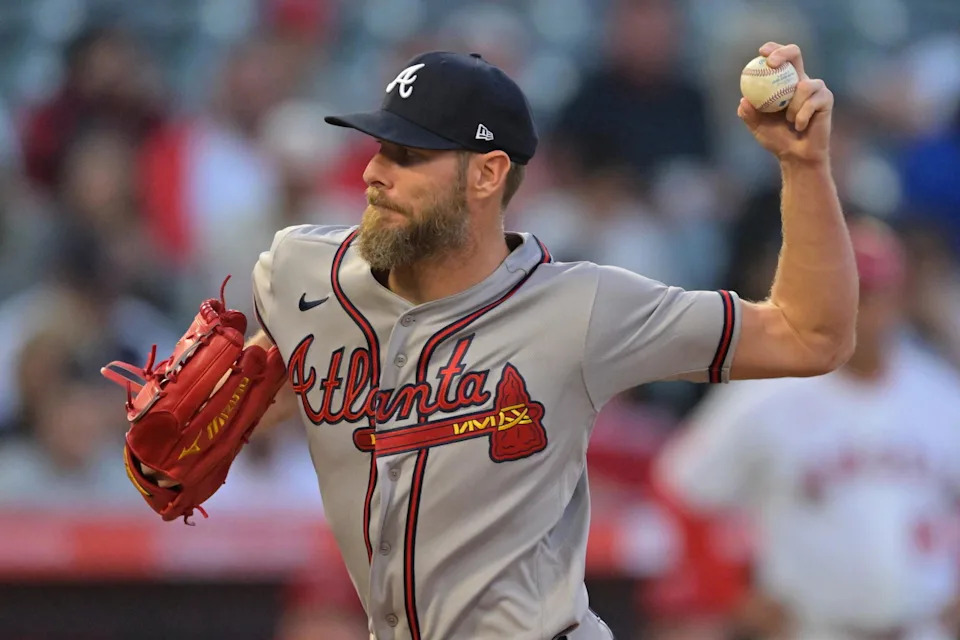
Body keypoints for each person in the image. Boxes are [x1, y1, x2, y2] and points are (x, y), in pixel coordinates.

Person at [145, 42, 855, 639]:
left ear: (486, 173)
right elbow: (218, 425)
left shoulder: (582, 307)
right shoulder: (301, 274)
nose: (372, 172)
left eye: (407, 154)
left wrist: (803, 167)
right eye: (376, 146)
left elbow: (806, 336)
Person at [656, 218, 960, 640]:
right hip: (814, 628)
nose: (858, 310)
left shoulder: (940, 393)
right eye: (845, 294)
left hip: (921, 628)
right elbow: (681, 487)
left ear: (898, 297)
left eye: (871, 294)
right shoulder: (767, 392)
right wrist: (730, 594)